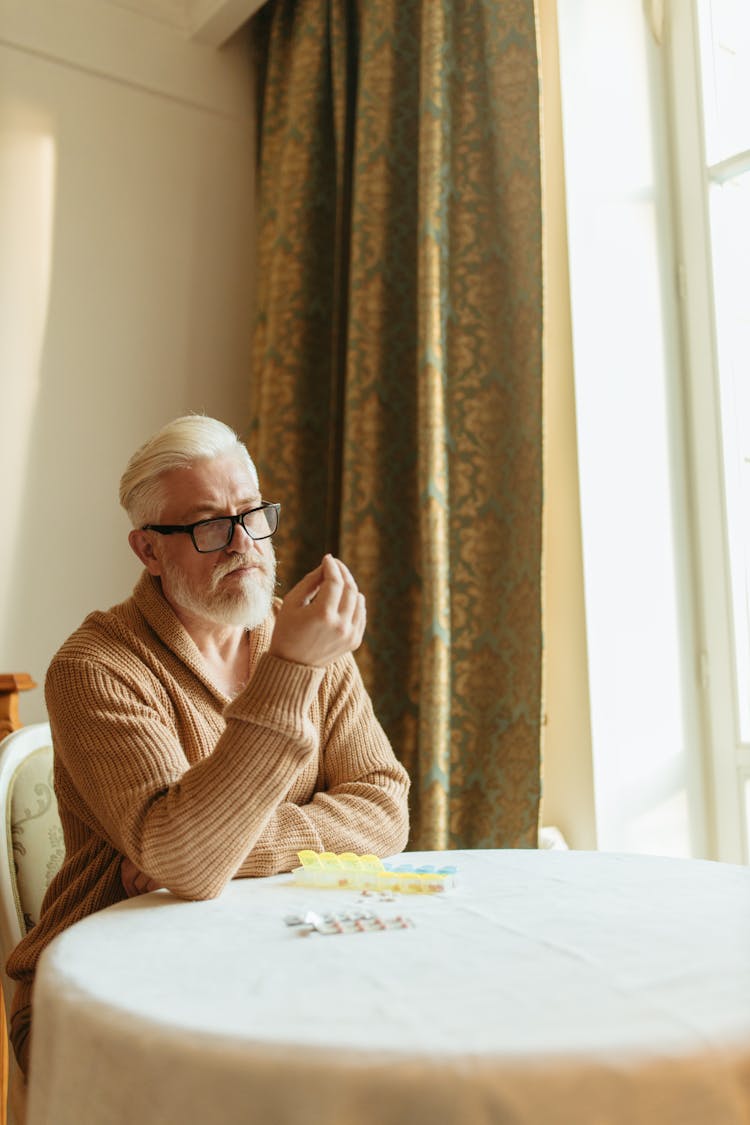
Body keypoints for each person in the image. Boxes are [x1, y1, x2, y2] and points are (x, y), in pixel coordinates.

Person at [6, 414, 410, 1076]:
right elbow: (188, 858)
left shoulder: (302, 636)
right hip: (107, 986)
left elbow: (385, 806)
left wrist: (221, 850)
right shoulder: (96, 667)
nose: (244, 544)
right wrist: (289, 670)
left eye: (252, 513)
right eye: (209, 526)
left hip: (278, 953)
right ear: (148, 550)